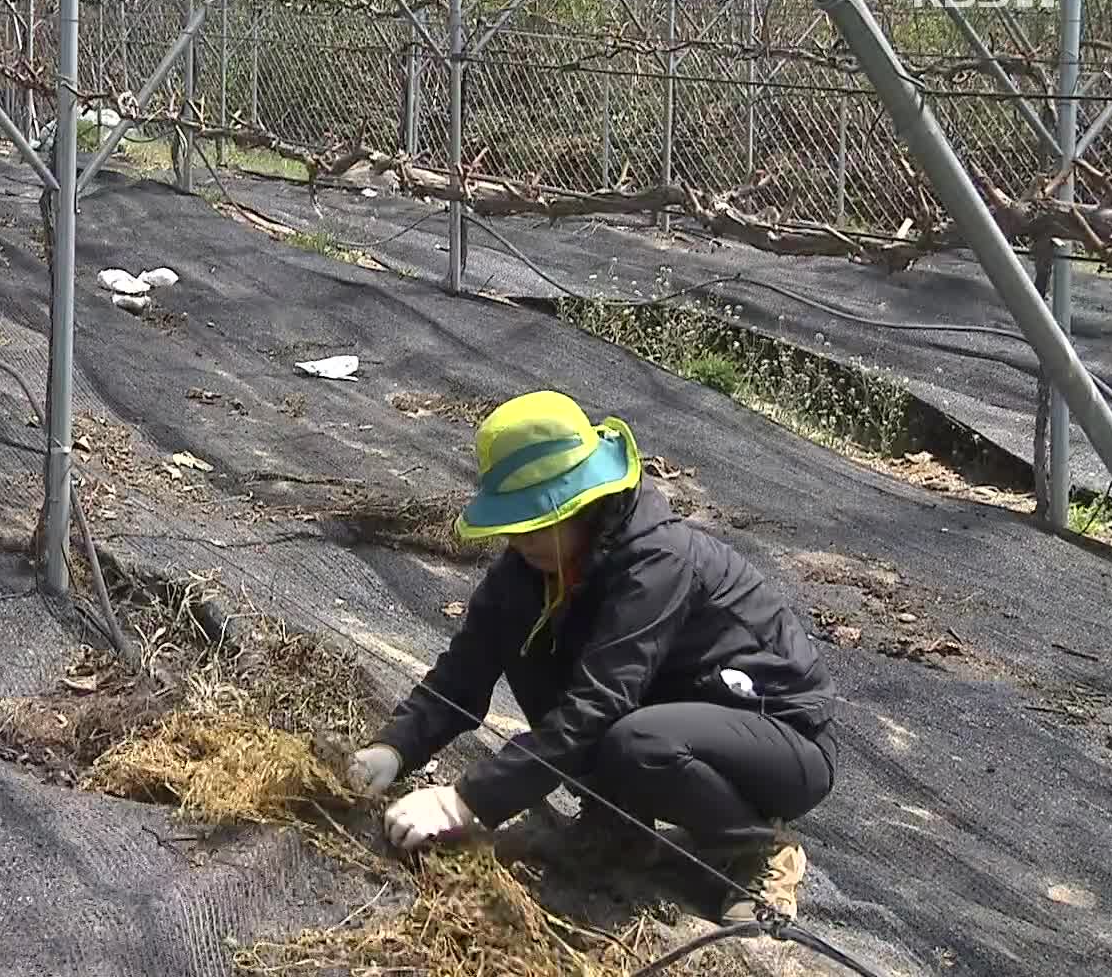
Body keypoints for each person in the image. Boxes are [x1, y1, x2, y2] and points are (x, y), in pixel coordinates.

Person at [344, 391, 837, 923]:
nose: (517, 538)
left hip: (777, 734)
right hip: (672, 710)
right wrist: (393, 750)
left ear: (581, 502)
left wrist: (464, 801)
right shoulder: (530, 569)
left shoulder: (655, 563)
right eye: (512, 524)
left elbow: (598, 705)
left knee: (638, 742)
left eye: (532, 522)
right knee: (535, 650)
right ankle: (614, 828)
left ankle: (759, 849)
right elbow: (464, 671)